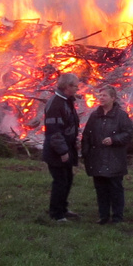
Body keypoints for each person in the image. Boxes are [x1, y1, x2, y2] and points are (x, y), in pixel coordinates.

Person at [82, 85, 133, 224]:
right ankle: (103, 216)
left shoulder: (121, 116)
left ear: (113, 98)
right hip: (97, 158)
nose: (101, 98)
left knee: (116, 189)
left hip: (115, 159)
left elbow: (128, 134)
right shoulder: (94, 115)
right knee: (101, 189)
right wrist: (85, 153)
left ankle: (117, 217)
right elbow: (87, 135)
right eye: (100, 96)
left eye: (104, 95)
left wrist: (114, 139)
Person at [41, 72, 81, 222]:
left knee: (68, 179)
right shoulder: (56, 103)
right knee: (60, 181)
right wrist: (62, 151)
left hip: (66, 147)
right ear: (67, 86)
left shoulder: (66, 101)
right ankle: (56, 214)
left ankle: (63, 208)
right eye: (76, 86)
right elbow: (54, 130)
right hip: (56, 151)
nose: (77, 89)